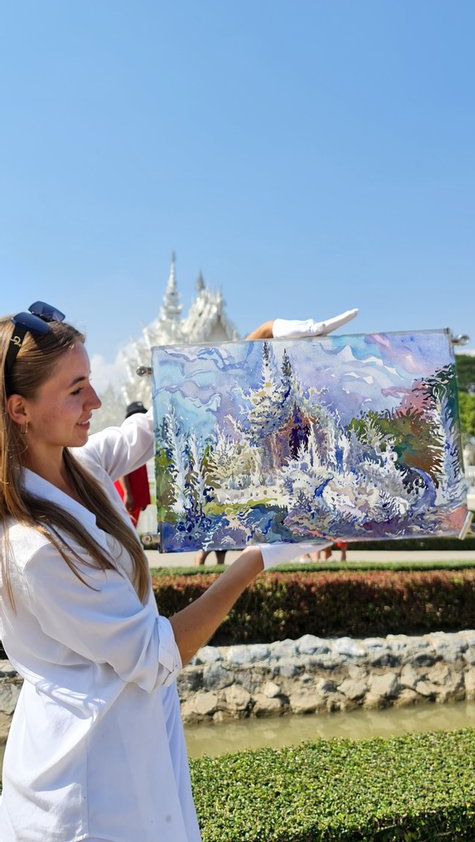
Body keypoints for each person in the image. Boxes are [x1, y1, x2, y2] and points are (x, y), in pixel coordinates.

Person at [0, 301, 331, 842]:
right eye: (76, 388)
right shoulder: (31, 546)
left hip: (135, 736)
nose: (98, 401)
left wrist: (258, 344)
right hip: (82, 776)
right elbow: (157, 653)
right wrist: (255, 558)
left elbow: (167, 421)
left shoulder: (78, 465)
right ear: (20, 410)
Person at [114, 400, 151, 526]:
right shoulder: (125, 439)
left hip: (136, 497)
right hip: (127, 497)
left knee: (132, 528)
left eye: (143, 414)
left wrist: (143, 498)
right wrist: (128, 494)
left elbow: (141, 472)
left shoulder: (141, 442)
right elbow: (121, 470)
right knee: (125, 529)